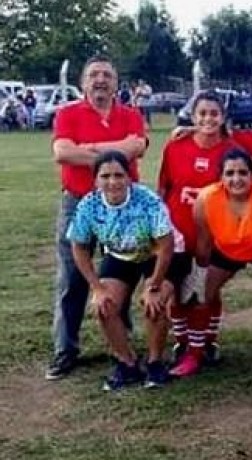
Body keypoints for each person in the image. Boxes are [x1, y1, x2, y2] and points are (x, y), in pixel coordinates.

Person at [47, 55, 147, 380]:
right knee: (71, 277)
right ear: (83, 82)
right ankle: (65, 350)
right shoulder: (68, 113)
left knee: (122, 269)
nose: (101, 80)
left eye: (107, 74)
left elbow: (136, 148)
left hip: (123, 204)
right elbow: (63, 152)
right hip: (78, 202)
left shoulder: (131, 114)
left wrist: (88, 148)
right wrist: (114, 151)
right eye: (94, 75)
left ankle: (122, 340)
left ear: (117, 83)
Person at [174, 148, 252, 377]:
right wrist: (199, 273)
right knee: (200, 296)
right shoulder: (206, 198)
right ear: (220, 177)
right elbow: (204, 242)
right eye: (229, 173)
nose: (236, 179)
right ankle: (195, 353)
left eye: (243, 172)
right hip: (226, 249)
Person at [66, 152, 181, 390]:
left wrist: (154, 286)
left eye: (119, 175)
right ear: (95, 179)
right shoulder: (89, 204)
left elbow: (166, 245)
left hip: (158, 255)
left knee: (155, 303)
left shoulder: (147, 200)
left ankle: (155, 362)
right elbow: (78, 247)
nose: (112, 182)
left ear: (129, 178)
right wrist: (96, 287)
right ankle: (127, 363)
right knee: (104, 306)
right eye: (105, 176)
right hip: (121, 255)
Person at [157, 91, 238, 367]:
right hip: (178, 234)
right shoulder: (175, 146)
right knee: (179, 289)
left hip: (214, 234)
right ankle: (182, 341)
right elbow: (164, 187)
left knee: (207, 289)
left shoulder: (230, 150)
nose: (208, 119)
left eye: (214, 113)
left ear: (223, 117)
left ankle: (207, 341)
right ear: (193, 116)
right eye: (202, 113)